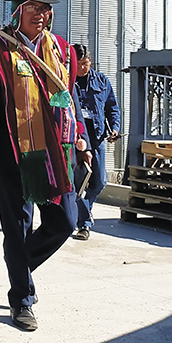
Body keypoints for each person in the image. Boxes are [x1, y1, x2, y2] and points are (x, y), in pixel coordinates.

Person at [0, 0, 91, 332]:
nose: (40, 14)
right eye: (33, 7)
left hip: (54, 152)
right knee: (17, 228)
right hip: (9, 153)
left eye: (45, 8)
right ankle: (22, 299)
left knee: (66, 220)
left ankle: (19, 265)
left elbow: (68, 99)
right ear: (17, 10)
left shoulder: (63, 51)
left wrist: (80, 136)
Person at [70, 43, 120, 241]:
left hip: (97, 138)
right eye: (79, 63)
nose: (83, 67)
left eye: (86, 62)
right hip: (75, 141)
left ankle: (82, 211)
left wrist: (114, 128)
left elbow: (112, 107)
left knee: (99, 181)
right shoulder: (67, 82)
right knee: (78, 184)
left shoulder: (101, 81)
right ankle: (84, 224)